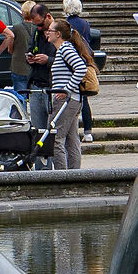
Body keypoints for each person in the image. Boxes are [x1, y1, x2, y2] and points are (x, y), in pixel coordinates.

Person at [45, 14, 87, 170]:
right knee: (71, 139)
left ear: (58, 34)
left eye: (50, 30)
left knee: (55, 138)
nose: (47, 33)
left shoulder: (65, 49)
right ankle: (74, 173)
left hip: (66, 101)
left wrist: (67, 89)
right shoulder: (63, 49)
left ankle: (62, 175)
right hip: (72, 100)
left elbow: (80, 68)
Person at [63, 0, 102, 141]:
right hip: (83, 59)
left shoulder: (64, 24)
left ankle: (69, 130)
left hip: (69, 61)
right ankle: (88, 131)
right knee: (84, 98)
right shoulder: (85, 24)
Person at [22, 1, 53, 126]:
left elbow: (67, 60)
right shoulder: (37, 32)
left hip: (52, 87)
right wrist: (30, 58)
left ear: (48, 16)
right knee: (37, 128)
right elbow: (31, 48)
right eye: (36, 25)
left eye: (40, 24)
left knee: (54, 128)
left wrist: (48, 60)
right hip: (36, 85)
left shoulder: (61, 31)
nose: (38, 27)